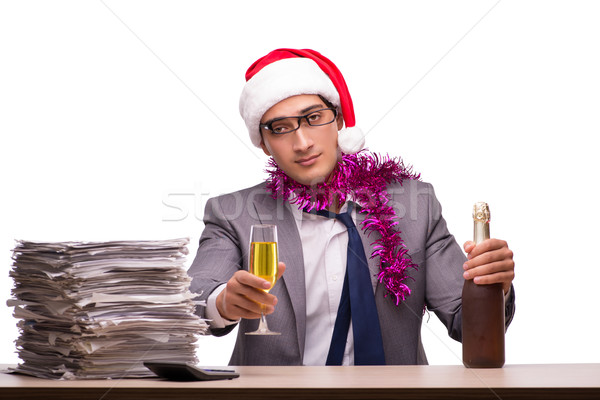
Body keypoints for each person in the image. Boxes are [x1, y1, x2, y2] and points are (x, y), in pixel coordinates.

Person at [188, 48, 515, 366]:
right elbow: (196, 292)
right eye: (281, 127)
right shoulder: (233, 213)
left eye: (313, 118)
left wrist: (491, 286)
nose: (302, 143)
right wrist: (225, 302)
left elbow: (465, 323)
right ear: (263, 143)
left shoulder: (415, 206)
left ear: (340, 118)